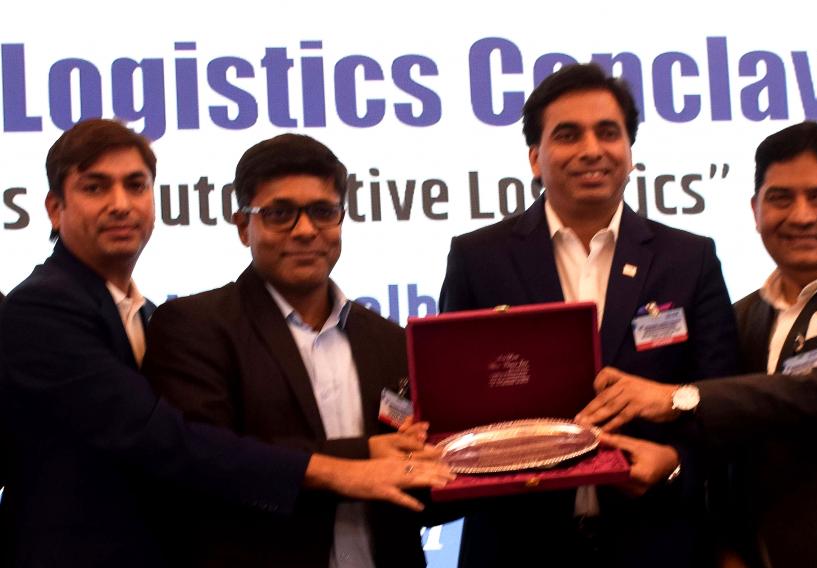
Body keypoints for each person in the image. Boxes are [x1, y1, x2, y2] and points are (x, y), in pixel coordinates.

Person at [0, 119, 452, 568]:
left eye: (135, 186)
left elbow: (413, 474)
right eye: (95, 187)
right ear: (55, 209)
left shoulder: (140, 312)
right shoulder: (46, 309)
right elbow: (172, 442)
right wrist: (353, 463)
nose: (121, 204)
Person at [577, 121, 817, 567]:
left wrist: (679, 398)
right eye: (780, 199)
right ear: (755, 211)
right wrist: (683, 477)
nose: (801, 216)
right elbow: (731, 442)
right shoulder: (743, 317)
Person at [439, 63, 740, 567]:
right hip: (517, 544)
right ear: (535, 158)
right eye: (567, 135)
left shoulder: (689, 258)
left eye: (608, 132)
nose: (591, 149)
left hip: (656, 541)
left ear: (629, 153)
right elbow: (456, 402)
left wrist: (676, 463)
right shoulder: (478, 258)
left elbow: (725, 398)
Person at [142, 133, 438, 567]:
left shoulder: (390, 340)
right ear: (243, 226)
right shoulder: (193, 327)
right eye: (280, 214)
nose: (305, 231)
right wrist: (362, 455)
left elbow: (412, 480)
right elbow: (206, 459)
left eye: (323, 211)